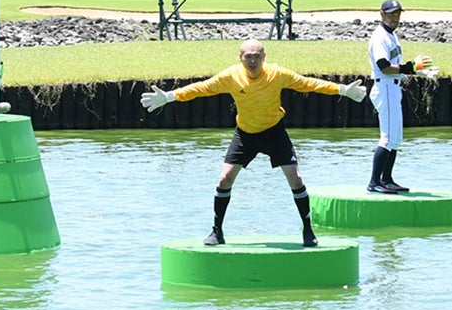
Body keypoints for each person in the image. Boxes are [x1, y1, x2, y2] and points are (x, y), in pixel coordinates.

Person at [141, 38, 368, 247]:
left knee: (295, 178)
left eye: (256, 56)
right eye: (248, 56)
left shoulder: (277, 74)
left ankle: (308, 231)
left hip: (274, 132)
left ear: (264, 57)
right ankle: (216, 231)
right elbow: (201, 88)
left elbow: (307, 83)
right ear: (240, 57)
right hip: (246, 134)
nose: (252, 60)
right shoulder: (231, 76)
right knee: (224, 178)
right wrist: (170, 97)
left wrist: (342, 90)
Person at [367, 0, 435, 193]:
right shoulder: (380, 36)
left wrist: (412, 70)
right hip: (385, 87)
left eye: (397, 14)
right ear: (381, 13)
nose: (394, 18)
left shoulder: (392, 35)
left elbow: (395, 66)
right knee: (387, 138)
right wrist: (410, 68)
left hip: (393, 88)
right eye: (390, 14)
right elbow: (384, 67)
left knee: (395, 138)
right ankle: (374, 182)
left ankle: (386, 179)